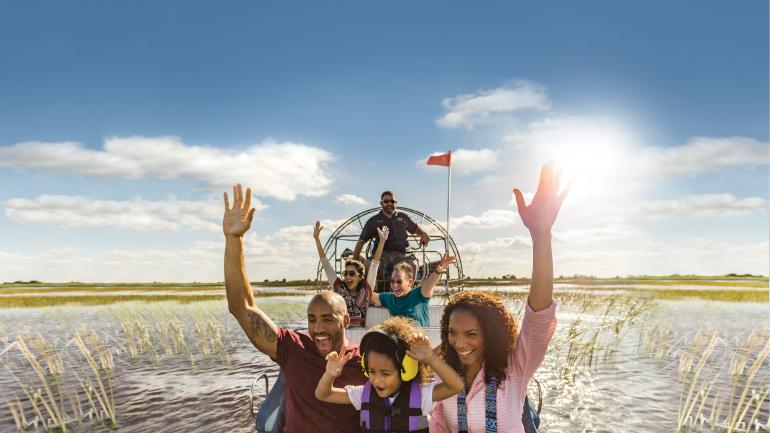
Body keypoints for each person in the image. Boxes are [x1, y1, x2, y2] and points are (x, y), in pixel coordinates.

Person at [430, 163, 572, 433]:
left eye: (471, 333)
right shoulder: (441, 371)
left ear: (491, 334)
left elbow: (538, 317)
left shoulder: (515, 367)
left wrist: (541, 235)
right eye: (452, 332)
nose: (459, 342)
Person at [223, 184, 366, 433]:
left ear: (345, 320)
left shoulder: (366, 360)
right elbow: (242, 307)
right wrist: (234, 240)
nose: (318, 328)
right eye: (311, 319)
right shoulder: (294, 348)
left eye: (327, 319)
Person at [314, 317, 464, 433]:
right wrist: (329, 374)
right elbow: (324, 395)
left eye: (385, 374)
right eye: (371, 371)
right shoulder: (362, 394)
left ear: (406, 370)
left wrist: (430, 358)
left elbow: (456, 386)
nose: (376, 379)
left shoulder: (421, 396)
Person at [314, 221, 390, 327]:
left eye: (352, 274)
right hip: (343, 333)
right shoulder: (339, 288)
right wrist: (317, 239)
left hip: (362, 334)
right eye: (345, 273)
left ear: (360, 277)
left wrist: (382, 242)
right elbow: (325, 264)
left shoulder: (366, 289)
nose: (348, 277)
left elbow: (374, 265)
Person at [352, 191, 431, 292]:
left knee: (413, 265)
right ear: (381, 204)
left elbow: (416, 229)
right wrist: (353, 262)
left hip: (403, 254)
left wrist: (423, 234)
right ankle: (370, 294)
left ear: (395, 203)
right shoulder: (373, 221)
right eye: (386, 201)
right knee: (368, 265)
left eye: (392, 201)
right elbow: (361, 241)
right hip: (381, 255)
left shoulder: (403, 217)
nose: (389, 203)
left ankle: (408, 294)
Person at [368, 253, 456, 327]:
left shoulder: (419, 294)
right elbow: (369, 295)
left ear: (409, 282)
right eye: (392, 281)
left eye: (399, 281)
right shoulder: (389, 298)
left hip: (421, 342)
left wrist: (438, 271)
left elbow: (429, 284)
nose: (395, 285)